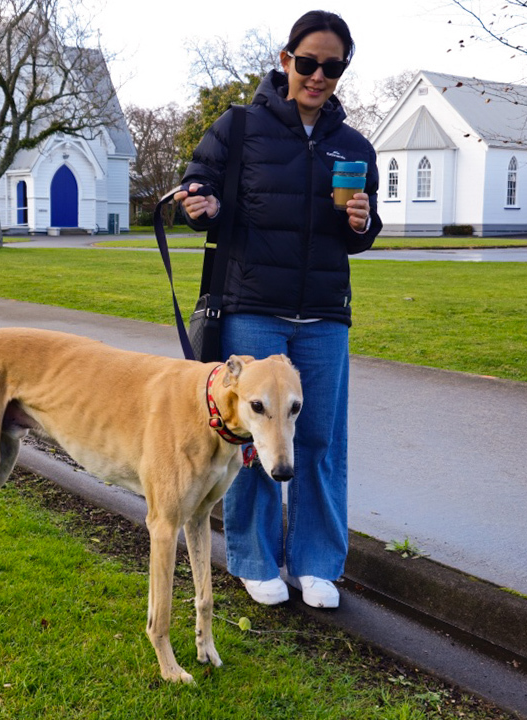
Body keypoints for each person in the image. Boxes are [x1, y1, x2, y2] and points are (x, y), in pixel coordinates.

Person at [174, 10, 382, 609]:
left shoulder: (353, 146)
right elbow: (199, 184)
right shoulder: (239, 127)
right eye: (309, 62)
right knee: (252, 440)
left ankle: (317, 563)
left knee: (319, 442)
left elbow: (363, 232)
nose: (319, 76)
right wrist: (200, 202)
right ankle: (256, 560)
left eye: (332, 67)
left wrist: (363, 223)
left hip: (324, 315)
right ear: (287, 59)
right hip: (253, 309)